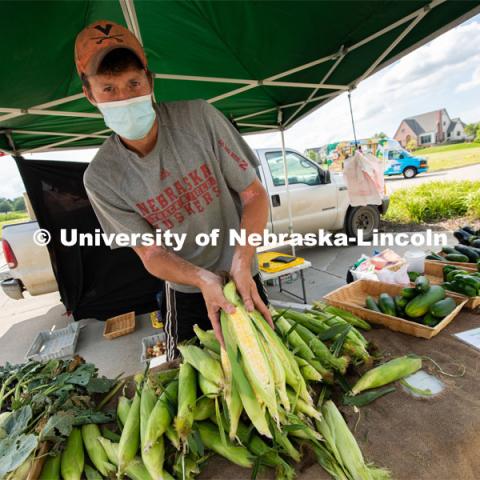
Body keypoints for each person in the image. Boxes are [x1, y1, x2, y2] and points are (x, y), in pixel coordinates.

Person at [74, 20, 272, 359]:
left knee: (270, 361)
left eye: (133, 83)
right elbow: (150, 254)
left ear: (150, 81)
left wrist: (242, 260)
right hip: (187, 291)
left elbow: (254, 195)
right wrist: (201, 279)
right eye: (109, 88)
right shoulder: (102, 178)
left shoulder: (200, 118)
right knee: (192, 377)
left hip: (243, 274)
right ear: (90, 94)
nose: (124, 97)